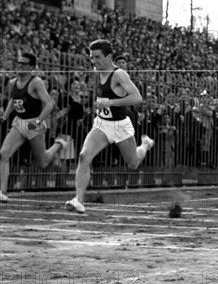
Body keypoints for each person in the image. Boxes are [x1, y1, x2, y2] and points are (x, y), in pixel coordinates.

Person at [65, 40, 155, 213]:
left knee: (133, 163)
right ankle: (78, 200)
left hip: (120, 125)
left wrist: (110, 102)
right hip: (101, 124)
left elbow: (137, 98)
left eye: (97, 57)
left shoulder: (119, 74)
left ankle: (145, 144)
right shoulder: (97, 72)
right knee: (84, 156)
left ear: (108, 56)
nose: (94, 61)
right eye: (92, 57)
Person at [0, 53, 67, 201]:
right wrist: (5, 115)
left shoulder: (36, 82)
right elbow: (13, 99)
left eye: (24, 64)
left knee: (42, 162)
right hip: (19, 122)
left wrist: (37, 122)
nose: (20, 66)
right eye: (19, 63)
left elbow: (50, 104)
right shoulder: (13, 82)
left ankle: (58, 145)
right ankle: (2, 192)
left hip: (34, 124)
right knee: (3, 154)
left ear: (31, 67)